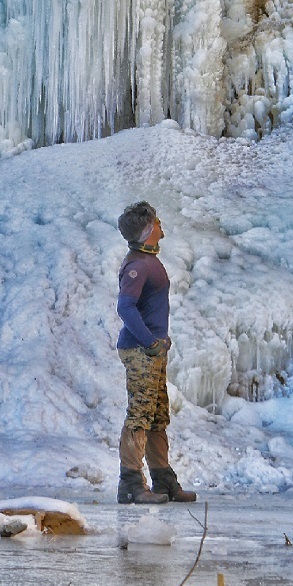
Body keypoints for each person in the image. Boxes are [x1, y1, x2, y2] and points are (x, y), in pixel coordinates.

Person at [115, 200, 197, 505]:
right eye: (157, 223)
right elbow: (125, 307)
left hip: (150, 350)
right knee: (140, 415)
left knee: (156, 416)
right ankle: (131, 484)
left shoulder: (145, 261)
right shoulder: (138, 265)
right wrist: (150, 342)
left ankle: (163, 481)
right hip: (140, 351)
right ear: (148, 229)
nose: (162, 227)